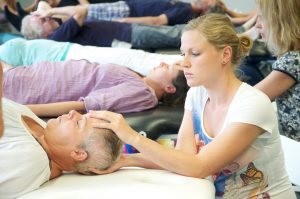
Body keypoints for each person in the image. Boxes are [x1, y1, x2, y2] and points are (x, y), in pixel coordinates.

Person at [87, 14, 296, 198]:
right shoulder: (197, 94)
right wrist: (124, 160)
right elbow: (182, 157)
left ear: (225, 55)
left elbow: (198, 166)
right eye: (182, 54)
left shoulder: (252, 104)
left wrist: (131, 136)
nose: (184, 63)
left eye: (194, 54)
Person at [0, 98, 123, 198]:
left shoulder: (30, 159)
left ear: (78, 153)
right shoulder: (46, 131)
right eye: (83, 115)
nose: (73, 112)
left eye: (78, 123)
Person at [3, 59, 188, 117]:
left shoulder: (143, 94)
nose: (163, 63)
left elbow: (82, 106)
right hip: (24, 77)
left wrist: (19, 110)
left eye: (169, 67)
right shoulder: (140, 80)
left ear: (170, 88)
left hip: (27, 91)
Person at [21, 3, 184, 49]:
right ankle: (206, 34)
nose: (47, 18)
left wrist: (48, 11)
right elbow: (81, 11)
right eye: (43, 21)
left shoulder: (57, 32)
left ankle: (204, 33)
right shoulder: (56, 37)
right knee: (174, 35)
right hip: (127, 35)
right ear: (43, 34)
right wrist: (52, 11)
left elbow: (42, 3)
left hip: (125, 31)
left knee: (173, 33)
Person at [0, 38, 181, 76]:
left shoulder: (7, 50)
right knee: (135, 60)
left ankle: (191, 61)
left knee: (135, 58)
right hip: (69, 60)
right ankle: (191, 62)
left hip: (70, 52)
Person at [254, 0, 300, 142]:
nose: (257, 25)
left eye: (262, 18)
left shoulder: (292, 61)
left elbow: (248, 99)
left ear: (280, 22)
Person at [38, 0, 215, 26]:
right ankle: (48, 14)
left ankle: (48, 13)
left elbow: (156, 20)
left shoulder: (185, 10)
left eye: (209, 1)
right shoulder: (184, 6)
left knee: (85, 11)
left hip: (126, 11)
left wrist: (123, 20)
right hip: (127, 6)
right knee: (86, 12)